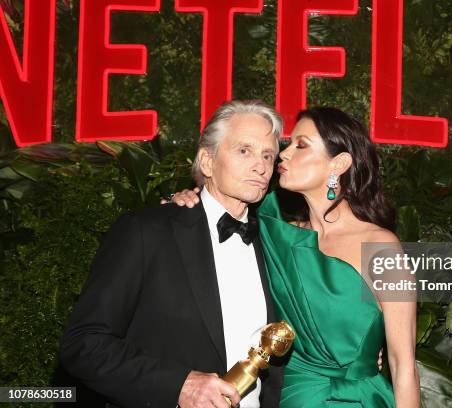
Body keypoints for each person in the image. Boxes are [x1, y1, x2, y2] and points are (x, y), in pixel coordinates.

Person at [172, 107, 420, 407]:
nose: (282, 156)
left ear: (339, 163)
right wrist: (190, 200)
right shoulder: (272, 233)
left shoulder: (382, 247)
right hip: (288, 398)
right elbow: (217, 213)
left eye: (301, 145)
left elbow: (403, 365)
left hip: (358, 401)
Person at [60, 100, 285, 408]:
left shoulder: (276, 244)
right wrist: (178, 385)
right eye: (244, 150)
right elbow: (83, 344)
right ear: (207, 162)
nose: (261, 165)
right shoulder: (146, 232)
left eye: (268, 155)